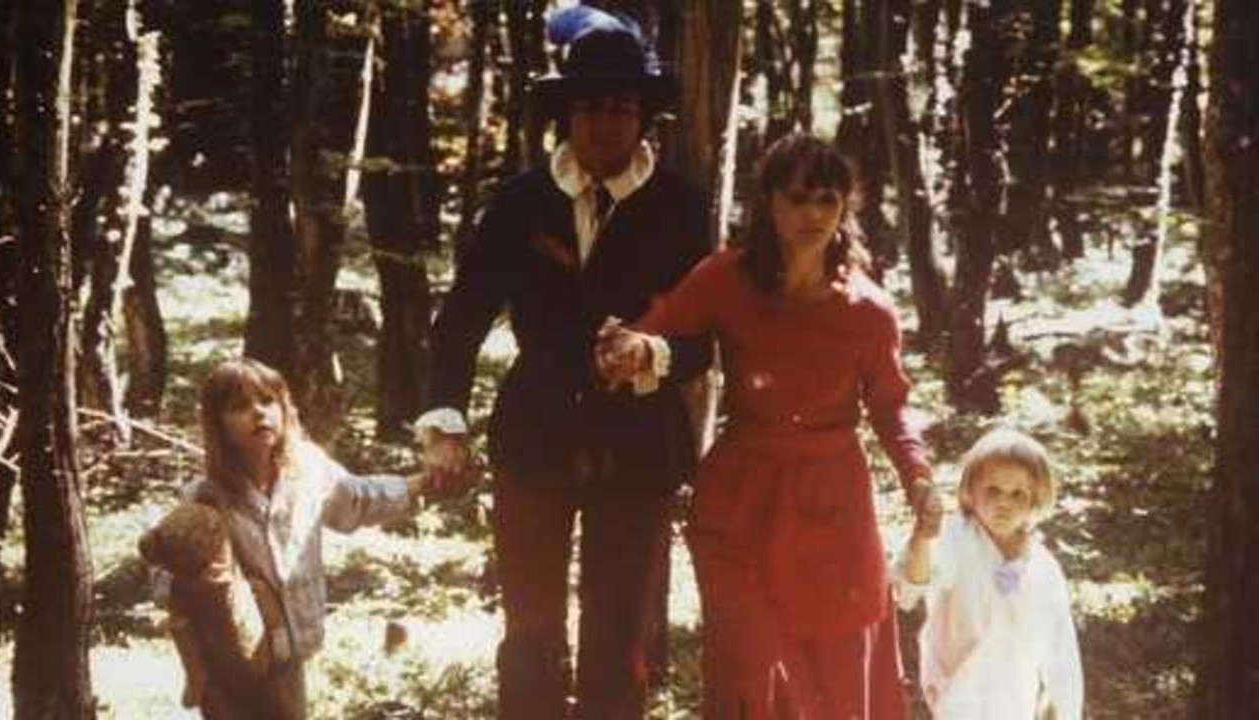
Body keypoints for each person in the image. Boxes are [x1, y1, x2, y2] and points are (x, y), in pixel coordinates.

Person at [414, 6, 712, 718]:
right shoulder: (520, 202)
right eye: (589, 106)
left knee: (619, 638)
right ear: (565, 114)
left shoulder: (679, 204)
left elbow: (705, 338)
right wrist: (445, 422)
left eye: (621, 107)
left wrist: (651, 353)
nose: (605, 123)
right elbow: (461, 318)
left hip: (639, 447)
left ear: (644, 117)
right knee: (530, 632)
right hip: (535, 436)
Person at [594, 132, 940, 718]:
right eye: (798, 198)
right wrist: (628, 345)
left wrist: (918, 477)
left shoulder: (869, 311)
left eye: (827, 200)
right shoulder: (725, 277)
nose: (813, 214)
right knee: (750, 670)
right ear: (769, 202)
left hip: (832, 508)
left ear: (844, 208)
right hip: (739, 504)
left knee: (834, 675)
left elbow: (891, 407)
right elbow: (661, 325)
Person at [165, 357, 425, 719]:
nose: (259, 413)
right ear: (217, 425)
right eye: (239, 407)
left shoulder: (307, 469)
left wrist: (420, 486)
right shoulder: (207, 496)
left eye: (267, 401)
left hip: (289, 649)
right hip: (229, 657)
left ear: (285, 408)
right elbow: (165, 570)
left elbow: (355, 499)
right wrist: (200, 580)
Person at [896, 427, 1083, 719]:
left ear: (1035, 499)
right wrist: (922, 538)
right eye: (993, 490)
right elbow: (913, 584)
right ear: (971, 491)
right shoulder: (956, 538)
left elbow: (1060, 646)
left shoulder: (1041, 566)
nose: (1003, 503)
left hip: (1014, 698)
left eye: (1018, 494)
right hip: (958, 695)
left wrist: (1061, 705)